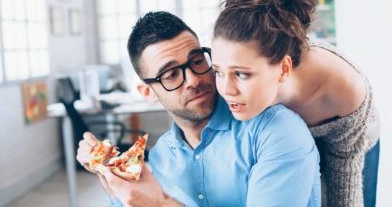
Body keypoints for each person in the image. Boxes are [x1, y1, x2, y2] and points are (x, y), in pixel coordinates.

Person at [76, 11, 321, 207]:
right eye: (171, 74)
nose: (193, 79)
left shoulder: (276, 130)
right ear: (147, 92)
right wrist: (108, 175)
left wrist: (160, 205)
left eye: (197, 61)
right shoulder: (160, 159)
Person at [210, 0, 380, 207]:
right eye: (218, 72)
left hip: (349, 147)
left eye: (241, 75)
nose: (226, 90)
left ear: (283, 69)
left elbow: (345, 180)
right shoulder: (234, 55)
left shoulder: (345, 88)